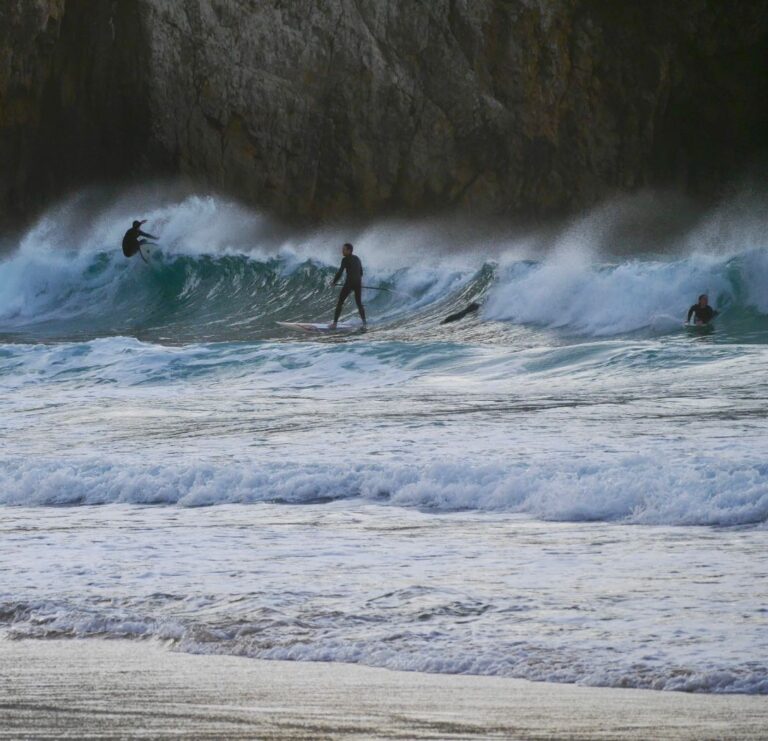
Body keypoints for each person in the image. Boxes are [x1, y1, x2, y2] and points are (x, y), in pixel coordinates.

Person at [330, 243, 366, 328]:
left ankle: (334, 324)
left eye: (344, 249)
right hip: (358, 282)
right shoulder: (357, 258)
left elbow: (340, 272)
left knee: (340, 302)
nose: (342, 251)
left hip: (350, 283)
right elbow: (361, 272)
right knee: (359, 303)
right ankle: (364, 322)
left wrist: (334, 282)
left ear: (349, 250)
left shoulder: (345, 259)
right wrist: (359, 282)